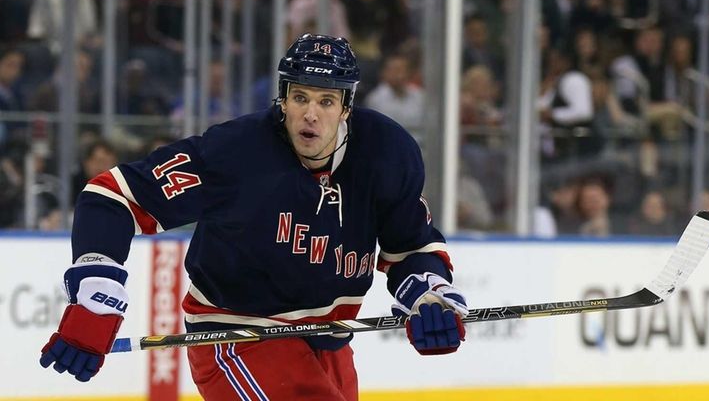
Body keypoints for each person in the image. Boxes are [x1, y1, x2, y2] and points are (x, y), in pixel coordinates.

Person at [39, 34, 468, 400]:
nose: (311, 114)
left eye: (326, 100)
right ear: (282, 99)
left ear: (346, 106)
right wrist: (97, 290)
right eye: (299, 96)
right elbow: (112, 198)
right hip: (238, 336)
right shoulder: (237, 153)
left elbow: (409, 246)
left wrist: (429, 296)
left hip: (332, 342)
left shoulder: (385, 154)